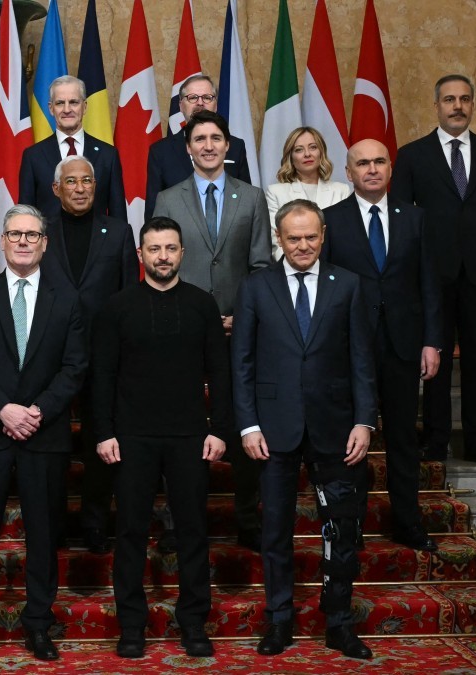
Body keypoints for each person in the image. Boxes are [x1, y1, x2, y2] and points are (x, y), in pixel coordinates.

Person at [232, 199, 377, 660]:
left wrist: (364, 420)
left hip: (336, 427)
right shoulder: (255, 287)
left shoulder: (348, 285)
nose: (302, 246)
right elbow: (243, 364)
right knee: (275, 529)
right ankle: (279, 621)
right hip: (272, 431)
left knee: (341, 528)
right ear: (279, 237)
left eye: (310, 237)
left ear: (323, 234)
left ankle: (338, 621)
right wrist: (249, 424)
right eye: (293, 238)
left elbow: (361, 359)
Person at [0, 205, 87, 663]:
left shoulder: (66, 299)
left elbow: (75, 367)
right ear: (3, 242)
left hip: (43, 434)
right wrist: (3, 409)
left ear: (45, 243)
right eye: (15, 235)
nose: (24, 242)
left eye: (33, 235)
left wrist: (37, 411)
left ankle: (38, 624)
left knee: (43, 535)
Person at [93, 217, 231, 659]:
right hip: (131, 437)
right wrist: (103, 432)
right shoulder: (117, 306)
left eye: (170, 248)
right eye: (154, 249)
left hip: (191, 436)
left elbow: (221, 373)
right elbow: (102, 377)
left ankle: (193, 622)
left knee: (193, 531)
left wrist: (220, 429)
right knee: (130, 532)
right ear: (141, 254)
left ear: (182, 252)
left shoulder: (202, 305)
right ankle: (131, 625)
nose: (163, 256)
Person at [391, 74, 476, 466]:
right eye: (449, 99)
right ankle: (435, 441)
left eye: (465, 99)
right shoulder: (413, 155)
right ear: (437, 106)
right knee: (434, 358)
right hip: (431, 277)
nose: (457, 106)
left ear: (473, 104)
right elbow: (400, 218)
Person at [153, 109, 270, 552]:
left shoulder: (252, 197)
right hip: (182, 327)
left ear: (227, 146)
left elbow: (260, 265)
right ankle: (176, 520)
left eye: (215, 138)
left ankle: (247, 517)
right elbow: (162, 261)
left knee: (241, 424)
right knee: (180, 427)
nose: (207, 145)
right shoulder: (168, 198)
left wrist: (244, 313)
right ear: (188, 147)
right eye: (199, 138)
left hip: (240, 329)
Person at [322, 139, 443, 552]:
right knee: (350, 441)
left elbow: (430, 284)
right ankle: (348, 524)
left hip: (404, 346)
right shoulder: (330, 221)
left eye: (378, 162)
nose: (371, 169)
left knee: (403, 439)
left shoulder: (415, 219)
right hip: (348, 348)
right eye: (362, 163)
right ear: (348, 170)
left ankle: (407, 521)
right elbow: (325, 290)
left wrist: (432, 342)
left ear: (390, 169)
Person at [39, 155, 138, 554]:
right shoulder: (40, 232)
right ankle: (55, 524)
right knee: (53, 445)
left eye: (88, 182)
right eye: (72, 182)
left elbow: (130, 292)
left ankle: (95, 522)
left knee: (102, 442)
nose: (80, 188)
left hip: (104, 354)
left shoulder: (118, 231)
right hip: (52, 354)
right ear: (55, 189)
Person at [145, 74, 253, 221]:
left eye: (207, 97)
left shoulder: (236, 146)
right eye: (193, 98)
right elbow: (154, 212)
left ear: (216, 104)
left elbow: (247, 203)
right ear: (181, 105)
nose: (200, 103)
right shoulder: (161, 151)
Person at [19, 75, 125, 218]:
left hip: (97, 239)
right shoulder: (33, 156)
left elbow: (118, 215)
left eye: (74, 102)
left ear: (85, 106)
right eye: (60, 103)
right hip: (50, 239)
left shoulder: (108, 155)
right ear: (51, 108)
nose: (67, 109)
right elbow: (25, 215)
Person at [265, 127, 351, 258]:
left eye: (313, 147)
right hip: (292, 268)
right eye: (299, 150)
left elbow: (346, 238)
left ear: (321, 152)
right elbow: (276, 241)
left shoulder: (341, 190)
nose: (307, 154)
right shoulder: (275, 192)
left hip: (335, 268)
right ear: (290, 156)